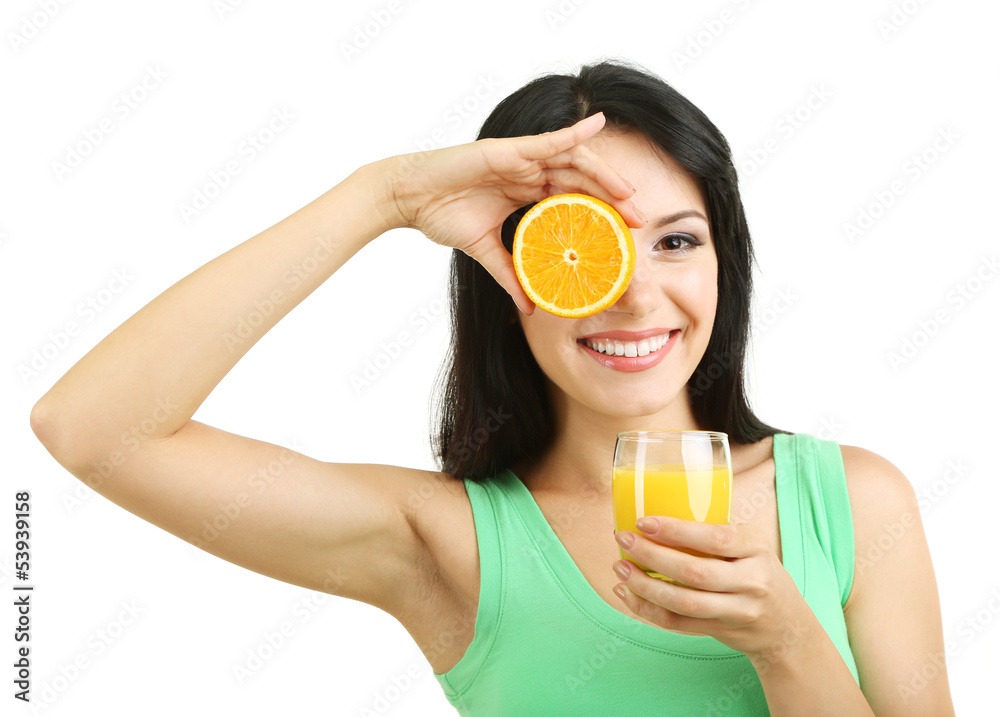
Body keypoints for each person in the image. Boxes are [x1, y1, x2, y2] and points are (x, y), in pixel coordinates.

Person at [30, 58, 954, 716]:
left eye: (677, 240)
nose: (636, 293)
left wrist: (789, 642)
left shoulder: (855, 500)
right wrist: (382, 197)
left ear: (725, 268)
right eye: (586, 251)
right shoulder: (447, 542)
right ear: (510, 278)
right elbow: (92, 428)